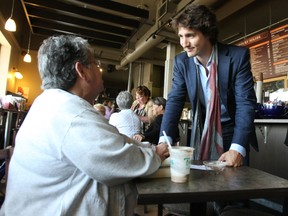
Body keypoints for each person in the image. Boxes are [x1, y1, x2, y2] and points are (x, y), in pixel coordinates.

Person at [0, 35, 169, 216]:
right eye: (95, 63)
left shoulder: (52, 103)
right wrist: (155, 154)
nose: (99, 69)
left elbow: (113, 140)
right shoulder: (70, 113)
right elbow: (117, 160)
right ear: (82, 71)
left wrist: (147, 147)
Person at [158, 4, 258, 215]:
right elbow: (175, 100)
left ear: (207, 32)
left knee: (235, 193)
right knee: (199, 186)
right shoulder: (182, 62)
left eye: (190, 36)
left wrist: (238, 148)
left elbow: (245, 103)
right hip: (202, 129)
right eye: (181, 36)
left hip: (231, 129)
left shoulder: (237, 56)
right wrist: (163, 140)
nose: (184, 43)